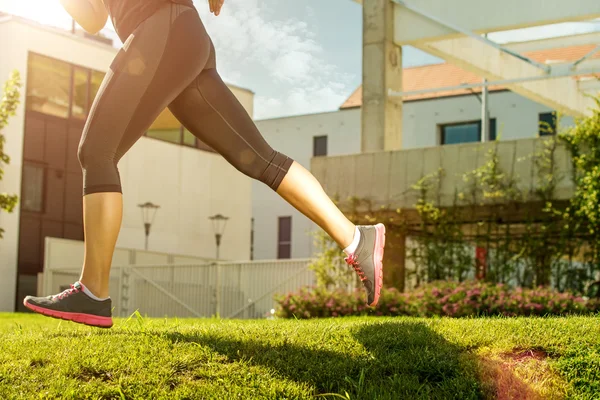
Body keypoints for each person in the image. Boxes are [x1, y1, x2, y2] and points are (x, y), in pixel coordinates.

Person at [23, 0, 386, 328]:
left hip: (162, 25)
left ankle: (93, 291)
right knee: (260, 159)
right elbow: (94, 18)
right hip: (178, 37)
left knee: (96, 151)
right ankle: (357, 239)